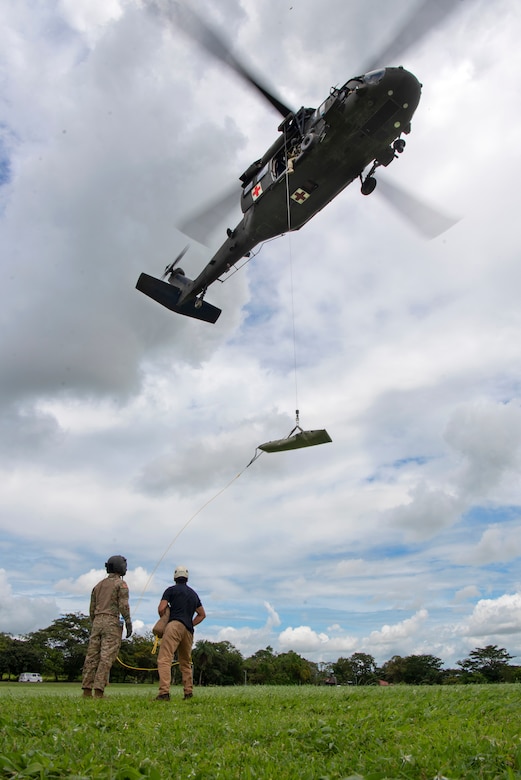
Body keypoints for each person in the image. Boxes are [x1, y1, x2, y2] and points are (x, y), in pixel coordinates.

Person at [81, 554, 132, 699]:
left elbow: (91, 609)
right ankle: (99, 691)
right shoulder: (121, 584)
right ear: (120, 567)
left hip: (97, 621)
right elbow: (123, 605)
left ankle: (86, 690)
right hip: (111, 621)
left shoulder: (98, 585)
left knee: (91, 656)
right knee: (106, 657)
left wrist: (96, 621)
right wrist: (128, 622)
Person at [155, 565, 206, 701]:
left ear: (175, 577)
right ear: (187, 578)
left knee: (164, 659)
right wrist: (189, 623)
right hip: (188, 630)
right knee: (185, 662)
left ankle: (164, 693)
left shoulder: (170, 590)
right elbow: (202, 614)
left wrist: (165, 616)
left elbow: (161, 608)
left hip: (174, 625)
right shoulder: (194, 594)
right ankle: (188, 693)